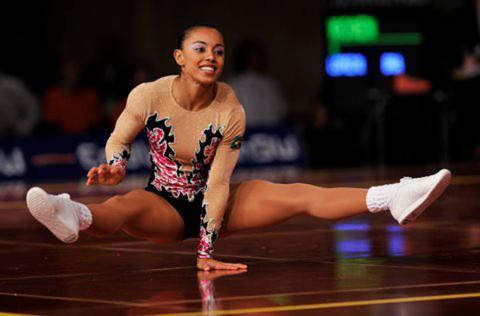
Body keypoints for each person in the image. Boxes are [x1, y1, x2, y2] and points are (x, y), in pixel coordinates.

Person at [26, 25, 452, 271]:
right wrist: (116, 164)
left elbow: (218, 183)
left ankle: (394, 196)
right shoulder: (148, 95)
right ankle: (73, 215)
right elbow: (119, 137)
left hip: (219, 200)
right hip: (165, 204)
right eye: (200, 49)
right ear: (178, 56)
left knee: (298, 194)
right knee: (124, 204)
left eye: (219, 51)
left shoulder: (230, 108)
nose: (211, 56)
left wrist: (206, 253)